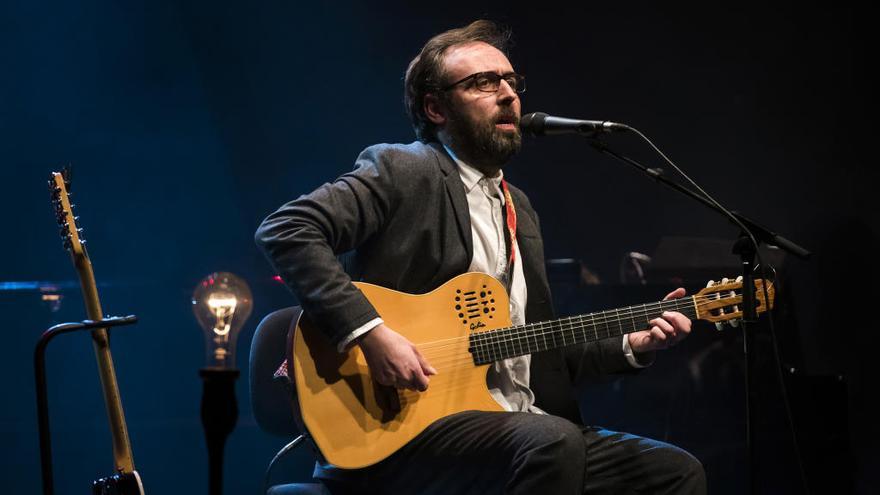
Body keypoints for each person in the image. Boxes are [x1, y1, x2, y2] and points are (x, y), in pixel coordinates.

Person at [256, 20, 706, 495]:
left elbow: (533, 350)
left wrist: (630, 345)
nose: (509, 94)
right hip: (410, 428)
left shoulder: (521, 209)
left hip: (516, 426)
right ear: (435, 108)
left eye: (512, 81)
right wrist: (370, 333)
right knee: (551, 441)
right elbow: (287, 229)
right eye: (483, 83)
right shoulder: (406, 169)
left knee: (675, 471)